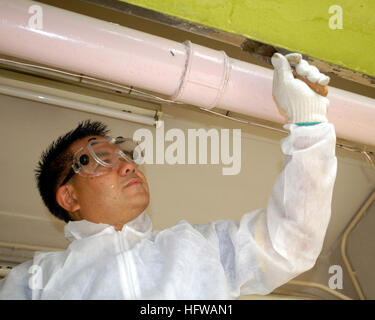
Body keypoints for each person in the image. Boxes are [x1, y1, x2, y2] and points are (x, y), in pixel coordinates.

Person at [0, 52, 337, 299]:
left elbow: (289, 245)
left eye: (125, 155)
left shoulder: (197, 248)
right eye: (102, 159)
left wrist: (309, 126)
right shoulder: (34, 284)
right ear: (69, 197)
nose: (129, 165)